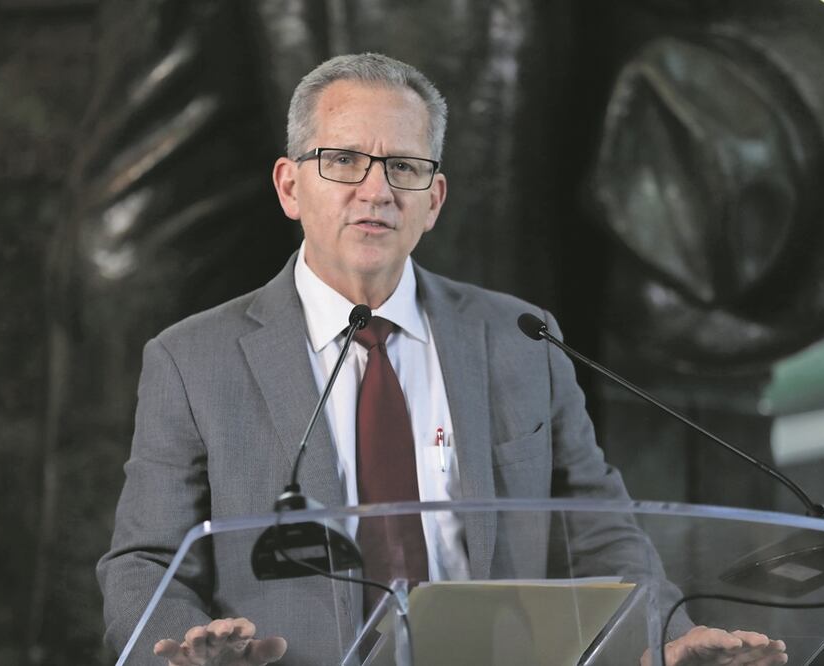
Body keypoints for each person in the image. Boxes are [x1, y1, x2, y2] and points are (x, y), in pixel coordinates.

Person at [97, 53, 788, 666]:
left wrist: (667, 639)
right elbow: (145, 562)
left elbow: (600, 531)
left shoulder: (522, 338)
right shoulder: (193, 359)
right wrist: (181, 653)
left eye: (405, 167)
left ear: (434, 200)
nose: (377, 191)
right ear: (289, 186)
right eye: (343, 161)